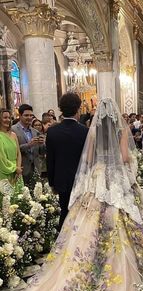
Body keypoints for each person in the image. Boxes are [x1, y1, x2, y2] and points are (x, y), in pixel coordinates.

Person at [6, 98, 143, 291]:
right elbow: (124, 157)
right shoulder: (121, 131)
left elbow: (88, 160)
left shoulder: (93, 131)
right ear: (116, 119)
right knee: (126, 227)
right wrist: (128, 163)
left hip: (96, 182)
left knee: (84, 234)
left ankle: (80, 275)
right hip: (117, 184)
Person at [46, 92, 88, 230]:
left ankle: (62, 245)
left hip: (61, 180)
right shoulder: (85, 131)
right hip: (81, 180)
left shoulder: (52, 132)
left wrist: (52, 182)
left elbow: (50, 160)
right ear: (78, 108)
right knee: (81, 213)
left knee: (65, 211)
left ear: (61, 109)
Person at [11, 104, 45, 185]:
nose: (29, 117)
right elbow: (13, 150)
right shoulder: (13, 130)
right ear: (20, 115)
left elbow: (41, 152)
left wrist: (43, 144)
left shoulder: (35, 131)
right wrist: (28, 145)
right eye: (26, 115)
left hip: (36, 169)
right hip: (21, 169)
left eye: (31, 115)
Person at [0, 109, 22, 186]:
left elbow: (18, 153)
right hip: (4, 171)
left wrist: (18, 168)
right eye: (5, 117)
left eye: (9, 118)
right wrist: (15, 168)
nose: (8, 120)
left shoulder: (13, 135)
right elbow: (1, 158)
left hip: (17, 171)